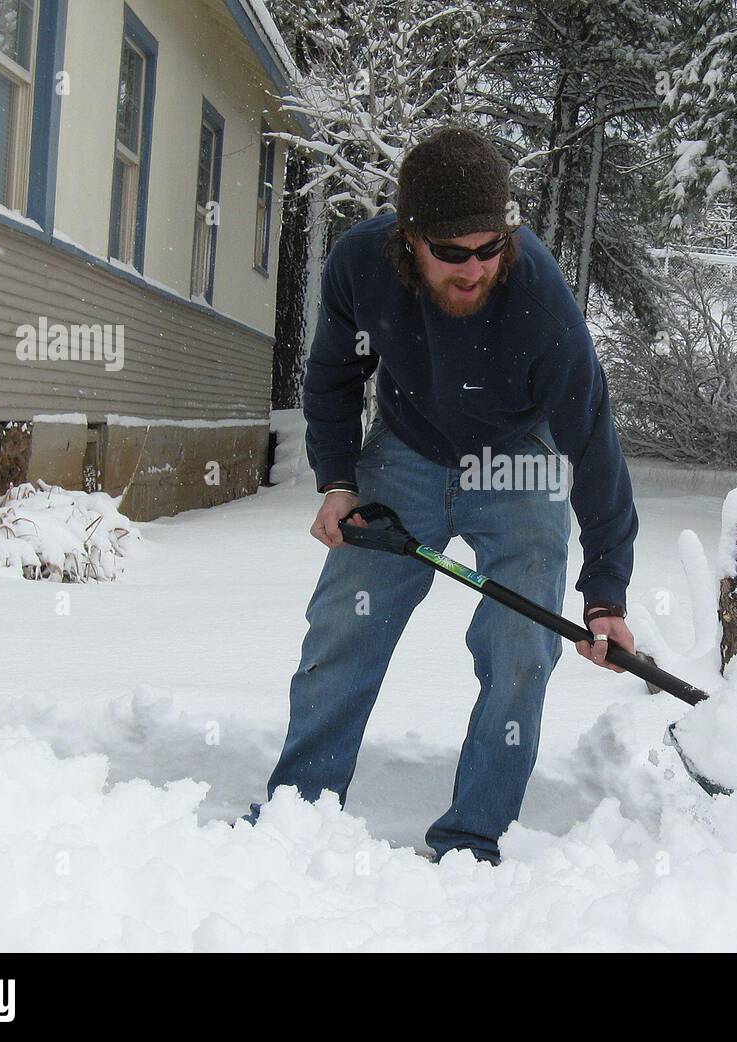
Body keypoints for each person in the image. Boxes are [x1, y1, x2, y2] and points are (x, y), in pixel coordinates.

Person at [247, 126, 639, 863]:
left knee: (520, 646)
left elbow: (593, 443)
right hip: (408, 448)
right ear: (408, 238)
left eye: (490, 248)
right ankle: (299, 815)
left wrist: (606, 598)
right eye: (452, 253)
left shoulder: (540, 300)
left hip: (518, 458)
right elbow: (332, 379)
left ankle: (473, 836)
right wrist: (338, 483)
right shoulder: (361, 264)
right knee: (345, 628)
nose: (474, 268)